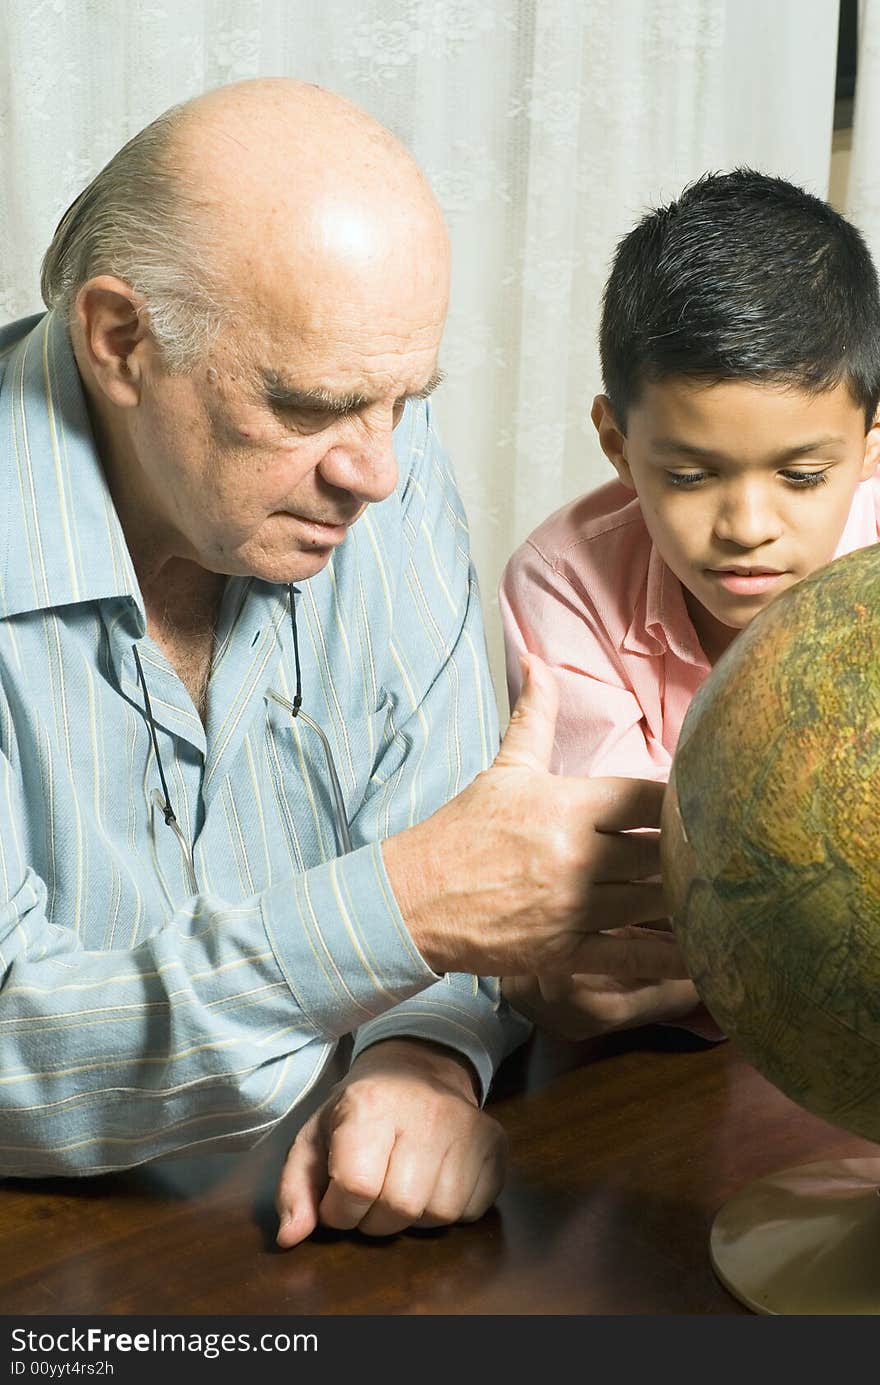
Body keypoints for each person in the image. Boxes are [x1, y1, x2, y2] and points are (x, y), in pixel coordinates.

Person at [0, 78, 679, 1245]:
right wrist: (403, 912)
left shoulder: (382, 457)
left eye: (404, 398)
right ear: (119, 341)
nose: (375, 471)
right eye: (308, 404)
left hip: (317, 1241)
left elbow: (464, 858)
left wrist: (422, 1055)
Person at [500, 169, 880, 1042]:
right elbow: (633, 891)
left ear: (868, 449)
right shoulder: (561, 580)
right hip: (663, 1056)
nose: (748, 527)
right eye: (689, 475)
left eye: (802, 475)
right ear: (616, 445)